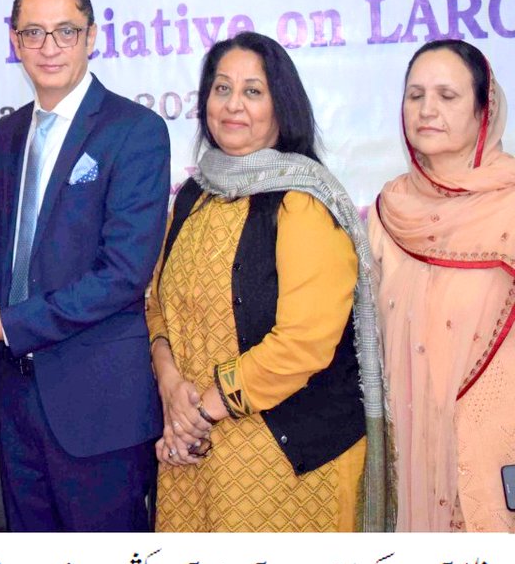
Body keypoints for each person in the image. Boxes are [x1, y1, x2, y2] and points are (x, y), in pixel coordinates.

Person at [0, 0, 169, 532]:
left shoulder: (135, 131)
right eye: (33, 33)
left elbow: (124, 274)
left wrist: (8, 324)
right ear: (14, 41)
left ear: (92, 37)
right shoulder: (8, 134)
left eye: (65, 31)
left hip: (98, 406)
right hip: (15, 399)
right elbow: (7, 244)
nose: (49, 47)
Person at [148, 31, 389, 532]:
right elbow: (158, 307)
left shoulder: (302, 203)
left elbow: (303, 343)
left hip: (289, 462)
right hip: (193, 449)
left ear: (282, 107)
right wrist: (171, 388)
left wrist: (202, 411)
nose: (233, 104)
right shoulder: (193, 195)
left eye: (253, 91)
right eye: (222, 88)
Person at [371, 39, 515, 532]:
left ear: (483, 111)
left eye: (447, 96)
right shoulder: (389, 211)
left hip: (498, 450)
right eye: (415, 96)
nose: (426, 110)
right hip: (409, 450)